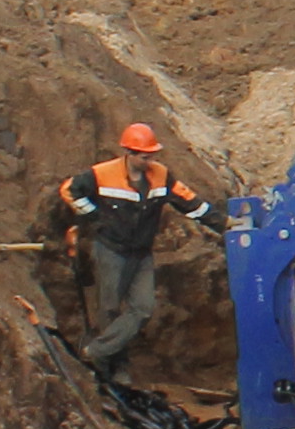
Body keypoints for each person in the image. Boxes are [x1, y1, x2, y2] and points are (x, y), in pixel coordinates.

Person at [54, 122, 214, 372]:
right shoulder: (103, 174)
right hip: (110, 249)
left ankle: (95, 351)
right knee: (109, 308)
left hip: (141, 254)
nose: (149, 160)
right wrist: (95, 217)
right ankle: (110, 367)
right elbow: (68, 190)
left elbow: (190, 202)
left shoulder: (160, 175)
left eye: (151, 155)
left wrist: (223, 222)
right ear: (128, 152)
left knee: (143, 308)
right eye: (143, 156)